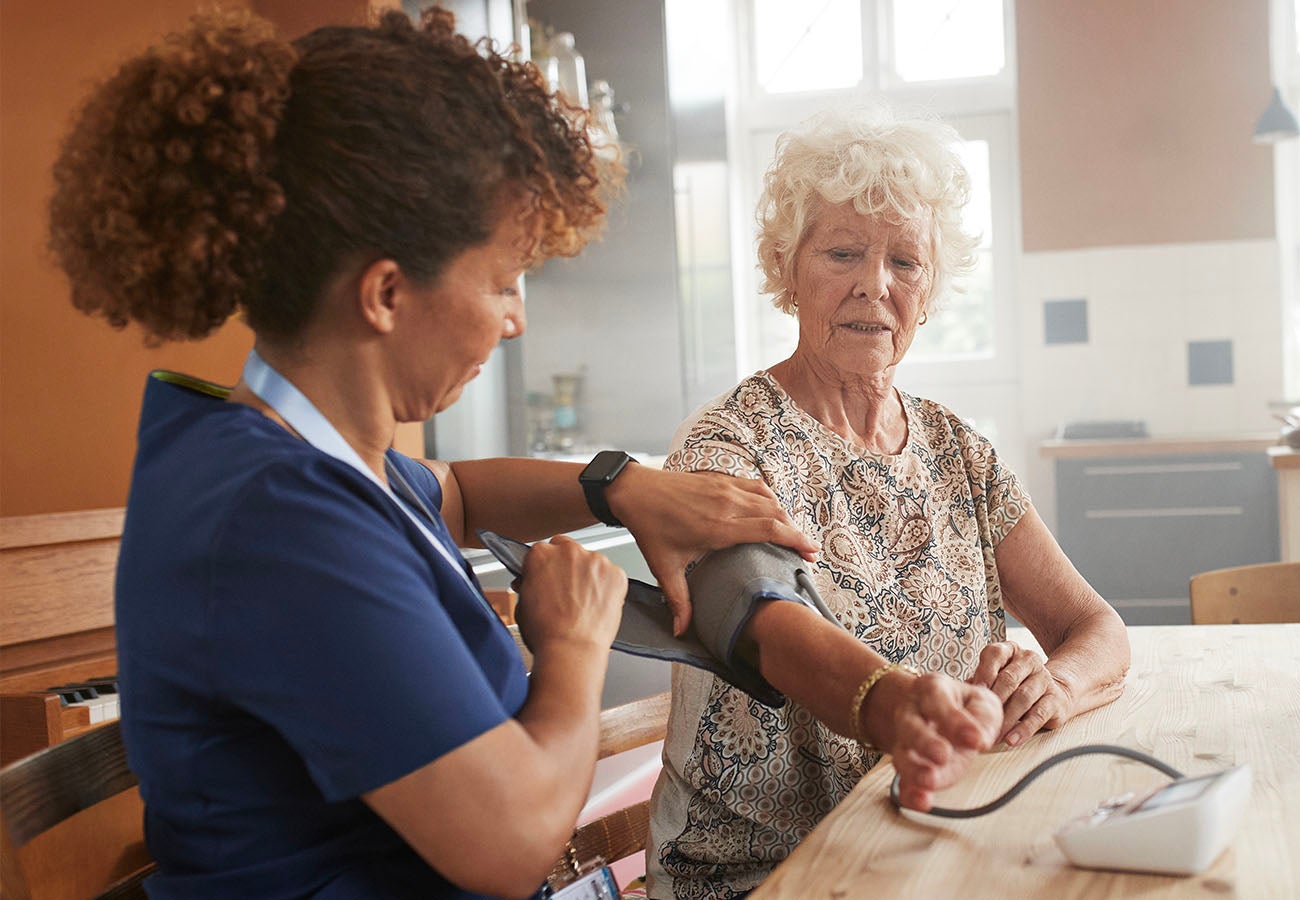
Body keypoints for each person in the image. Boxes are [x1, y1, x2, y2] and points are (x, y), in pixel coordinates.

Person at [45, 9, 821, 899]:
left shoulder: (297, 450)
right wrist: (571, 642)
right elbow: (512, 844)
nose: (515, 315)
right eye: (499, 281)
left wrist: (620, 489)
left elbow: (451, 490)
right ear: (383, 293)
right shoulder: (282, 521)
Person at [646, 106, 1131, 899]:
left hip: (935, 841)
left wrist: (1056, 687)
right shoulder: (726, 446)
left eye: (906, 262)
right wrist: (888, 701)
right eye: (843, 253)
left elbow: (1094, 628)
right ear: (786, 265)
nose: (876, 283)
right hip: (771, 871)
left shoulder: (958, 451)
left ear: (930, 291)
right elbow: (767, 621)